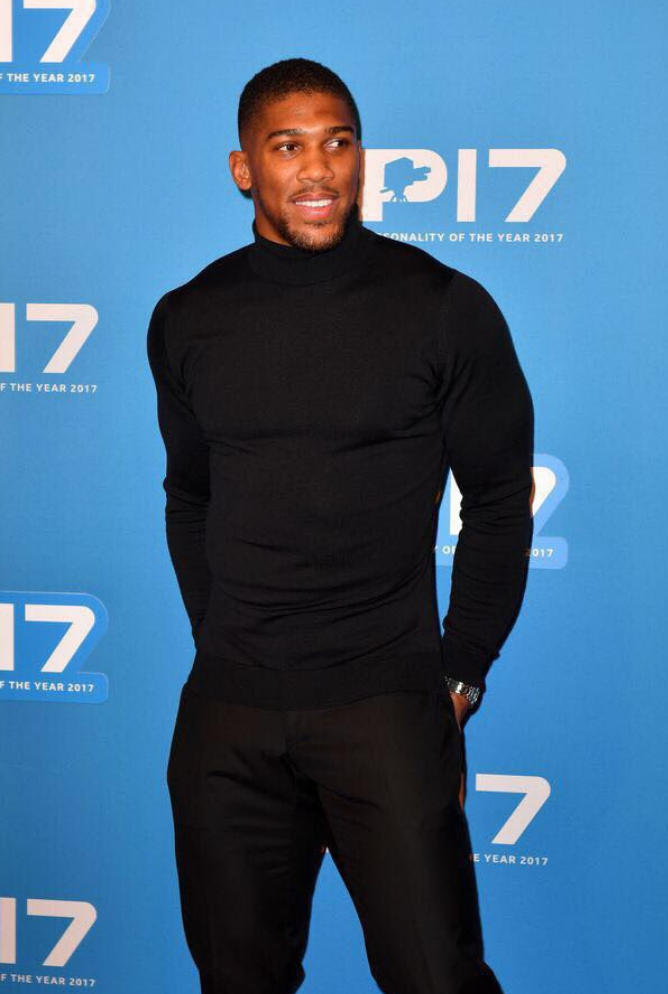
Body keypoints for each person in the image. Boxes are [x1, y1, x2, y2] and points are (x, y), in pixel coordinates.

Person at [147, 57, 534, 994]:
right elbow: (191, 495)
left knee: (436, 978)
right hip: (229, 720)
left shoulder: (443, 308)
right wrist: (220, 637)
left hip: (385, 710)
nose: (317, 169)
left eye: (338, 143)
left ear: (361, 159)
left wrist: (459, 673)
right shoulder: (188, 319)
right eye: (288, 147)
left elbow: (497, 499)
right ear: (245, 168)